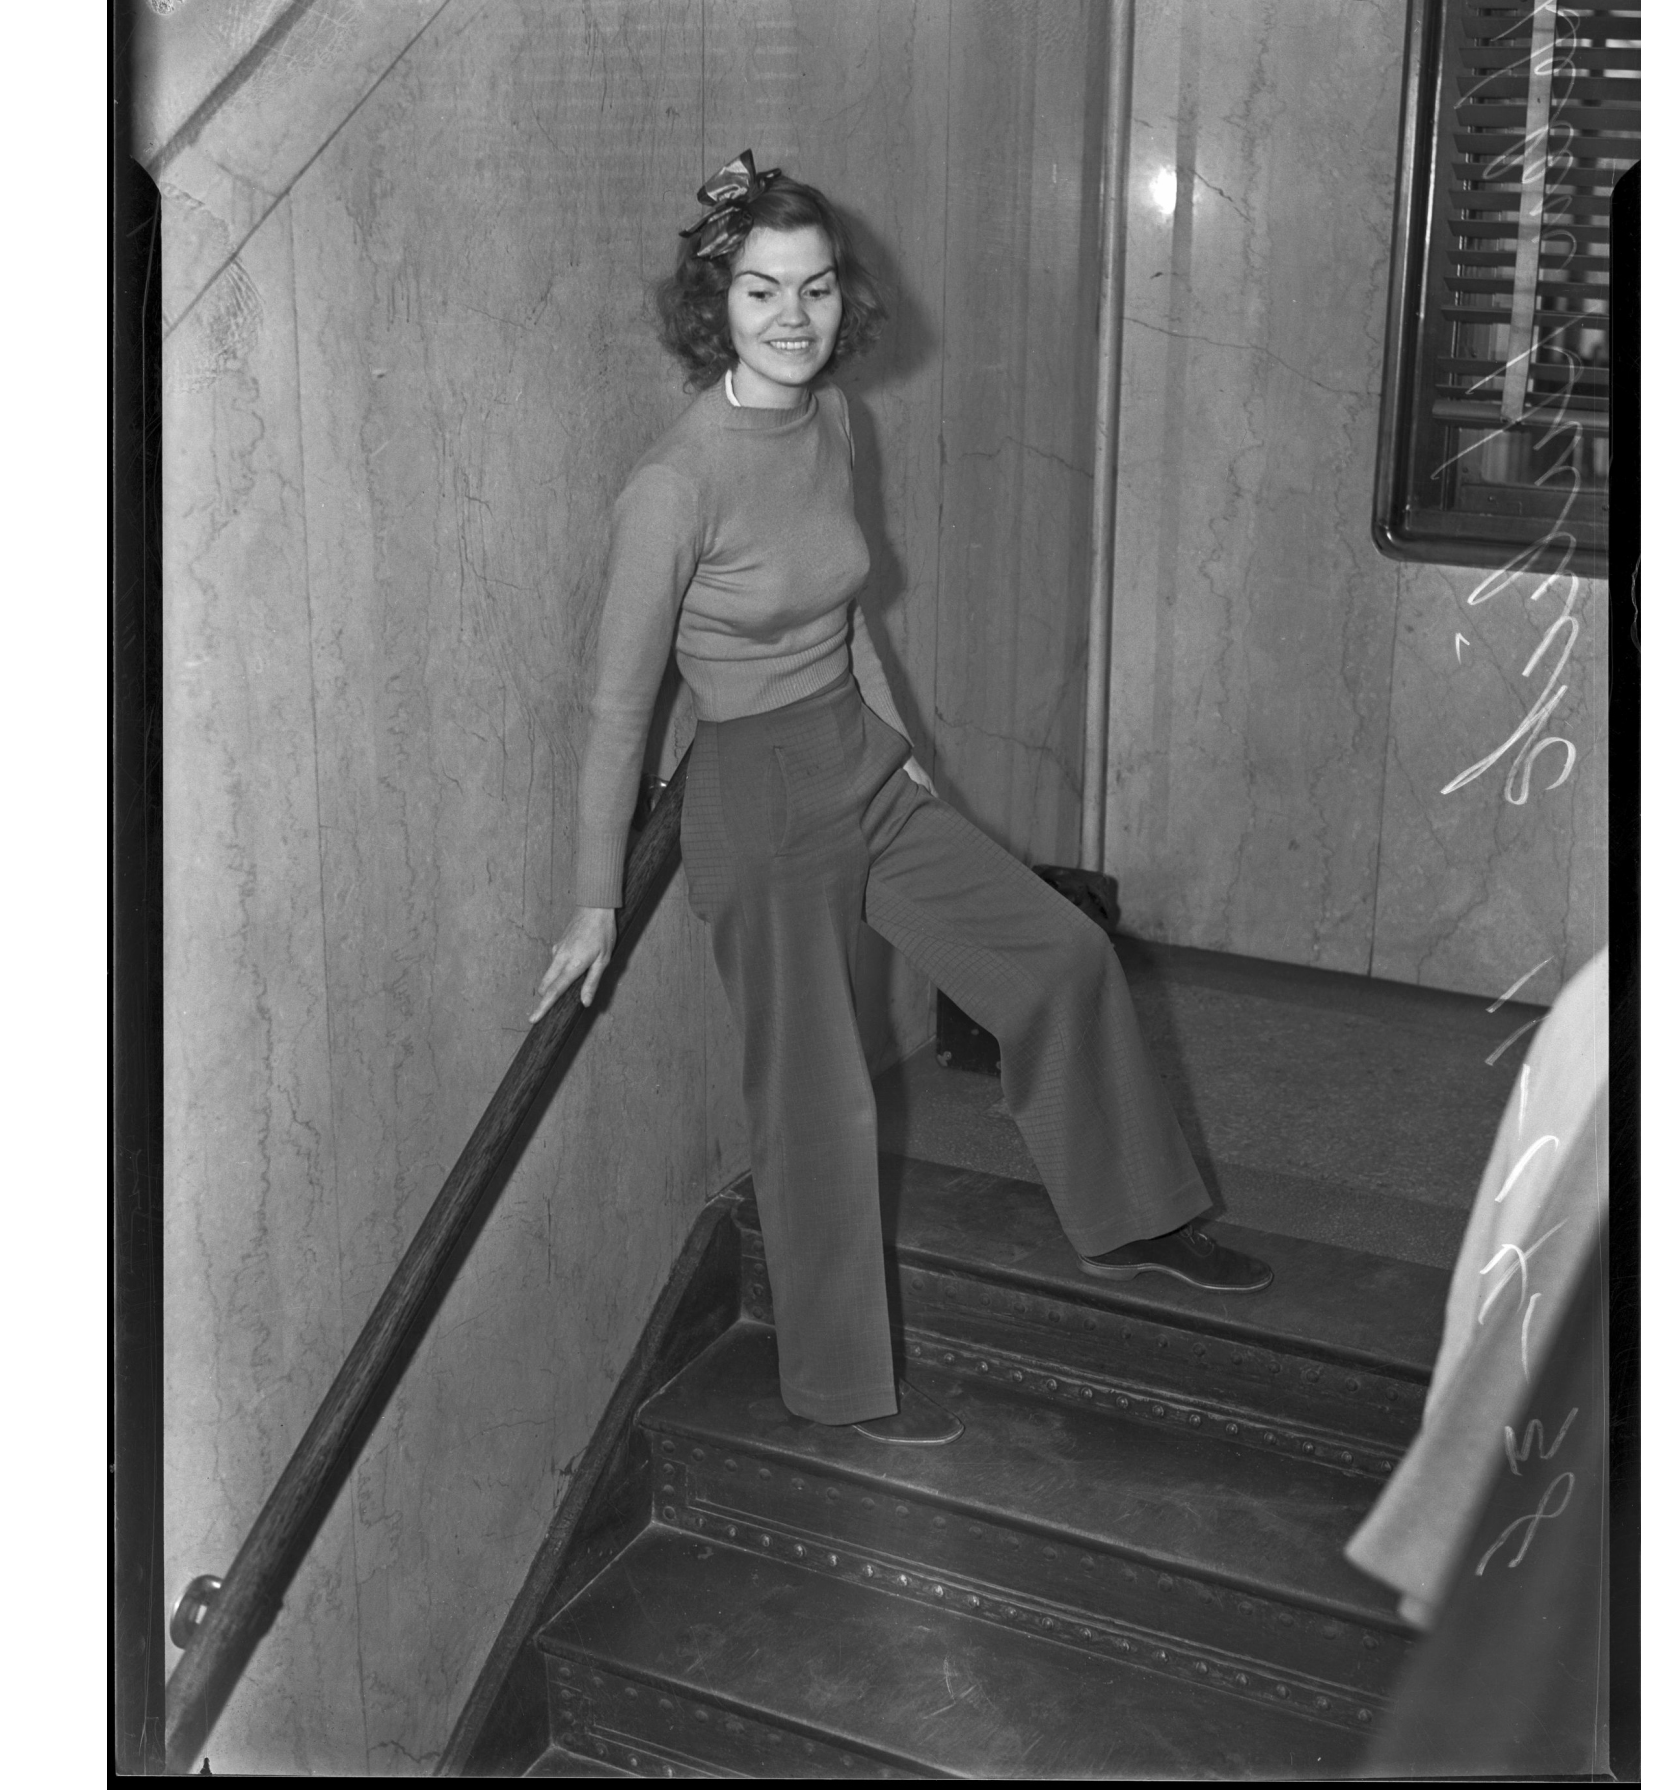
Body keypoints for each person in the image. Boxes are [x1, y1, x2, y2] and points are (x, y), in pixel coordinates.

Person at [531, 152, 1270, 1444]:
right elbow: (616, 706)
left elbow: (845, 604)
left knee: (1059, 956)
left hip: (859, 762)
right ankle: (837, 1387)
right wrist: (595, 897)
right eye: (763, 290)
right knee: (819, 1101)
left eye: (815, 287)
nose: (795, 316)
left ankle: (1135, 1220)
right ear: (715, 302)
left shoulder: (830, 421)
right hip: (762, 803)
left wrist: (902, 744)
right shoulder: (675, 484)